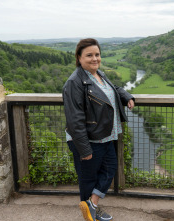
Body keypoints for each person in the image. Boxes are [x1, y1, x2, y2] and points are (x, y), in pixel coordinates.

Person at [62, 38, 135, 221]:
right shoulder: (74, 83)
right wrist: (84, 149)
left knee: (110, 169)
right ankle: (91, 212)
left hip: (105, 136)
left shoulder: (98, 74)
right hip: (88, 140)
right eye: (89, 55)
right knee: (88, 178)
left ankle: (91, 205)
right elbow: (74, 120)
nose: (95, 58)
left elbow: (113, 89)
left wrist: (126, 96)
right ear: (79, 58)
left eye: (97, 54)